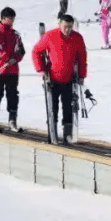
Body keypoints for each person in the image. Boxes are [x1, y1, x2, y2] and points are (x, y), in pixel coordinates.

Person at [32, 14, 88, 143]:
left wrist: (81, 75)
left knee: (68, 106)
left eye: (69, 27)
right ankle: (52, 132)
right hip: (52, 79)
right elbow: (36, 51)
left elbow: (82, 58)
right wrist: (41, 69)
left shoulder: (77, 38)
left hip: (69, 79)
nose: (67, 30)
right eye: (64, 27)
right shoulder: (50, 36)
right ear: (59, 25)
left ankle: (67, 133)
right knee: (52, 108)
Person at [0, 7, 26, 132]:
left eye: (13, 18)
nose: (12, 21)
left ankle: (12, 120)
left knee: (13, 94)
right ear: (3, 18)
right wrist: (7, 59)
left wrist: (16, 59)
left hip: (12, 70)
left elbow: (21, 50)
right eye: (10, 18)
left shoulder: (15, 34)